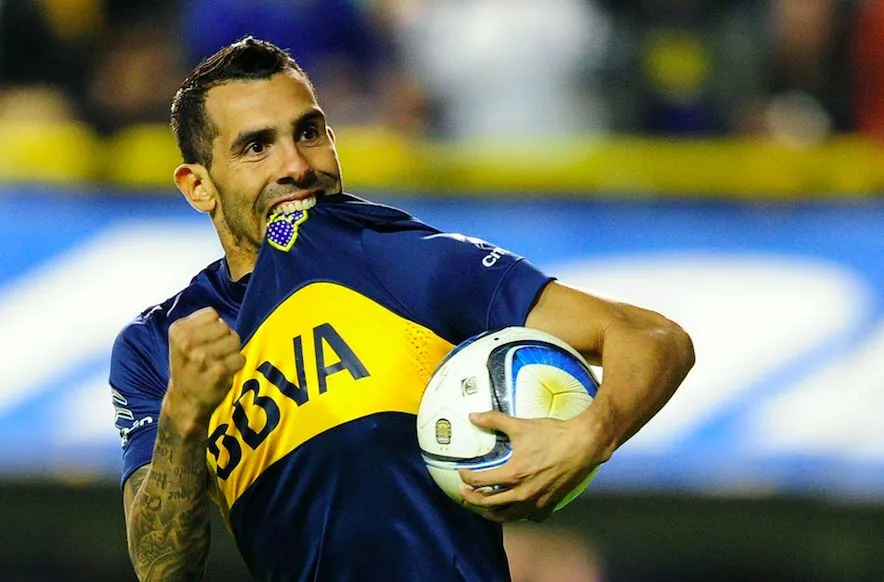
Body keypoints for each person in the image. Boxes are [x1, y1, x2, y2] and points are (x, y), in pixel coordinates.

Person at [109, 37, 694, 581]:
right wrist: (184, 415)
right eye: (257, 147)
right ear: (198, 186)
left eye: (309, 133)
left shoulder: (389, 255)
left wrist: (591, 433)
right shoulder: (154, 346)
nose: (297, 166)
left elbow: (650, 336)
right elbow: (161, 569)